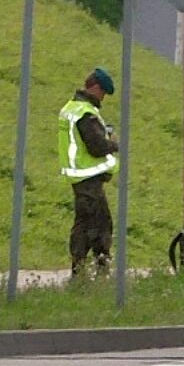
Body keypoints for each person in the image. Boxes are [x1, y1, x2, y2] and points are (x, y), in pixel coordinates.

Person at [59, 68, 119, 276]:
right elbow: (96, 146)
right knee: (100, 224)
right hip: (88, 177)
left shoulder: (72, 107)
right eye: (103, 92)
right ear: (95, 87)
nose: (103, 97)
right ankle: (100, 269)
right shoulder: (85, 113)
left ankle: (79, 269)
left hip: (80, 177)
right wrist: (113, 144)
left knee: (83, 223)